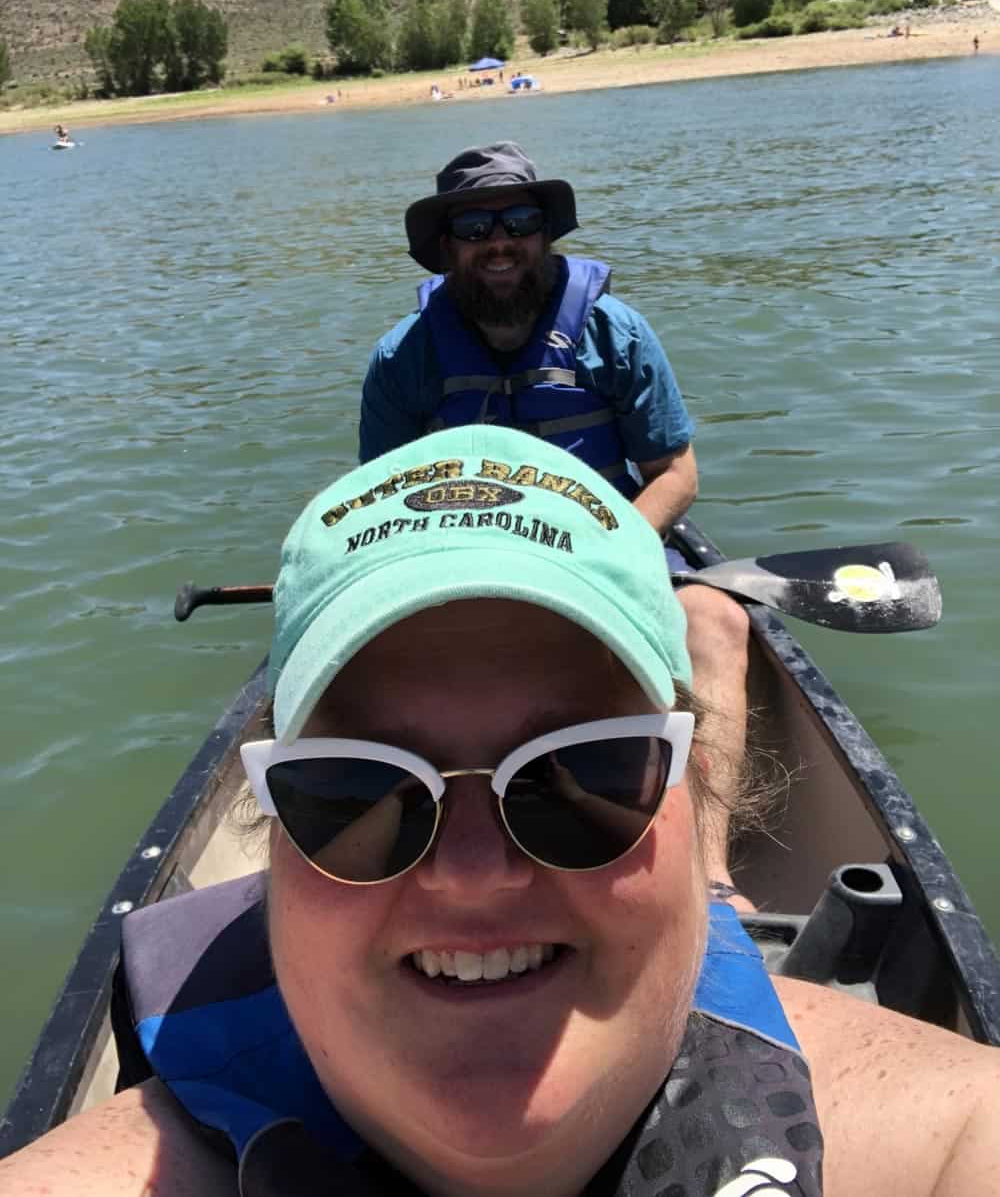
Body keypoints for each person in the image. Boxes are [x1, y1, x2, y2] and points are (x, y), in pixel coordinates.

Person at [2, 426, 998, 1197]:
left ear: (693, 792)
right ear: (275, 830)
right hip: (423, 520)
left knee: (710, 619)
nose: (473, 873)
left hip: (606, 529)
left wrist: (604, 540)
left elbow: (674, 465)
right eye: (355, 783)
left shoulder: (953, 1135)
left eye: (590, 769)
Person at [359, 141, 751, 898]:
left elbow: (677, 474)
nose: (498, 241)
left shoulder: (616, 333)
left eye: (517, 220)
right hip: (463, 576)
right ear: (446, 250)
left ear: (545, 232)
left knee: (717, 620)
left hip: (610, 556)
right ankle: (403, 855)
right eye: (475, 228)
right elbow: (381, 504)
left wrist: (616, 553)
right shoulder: (402, 360)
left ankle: (711, 876)